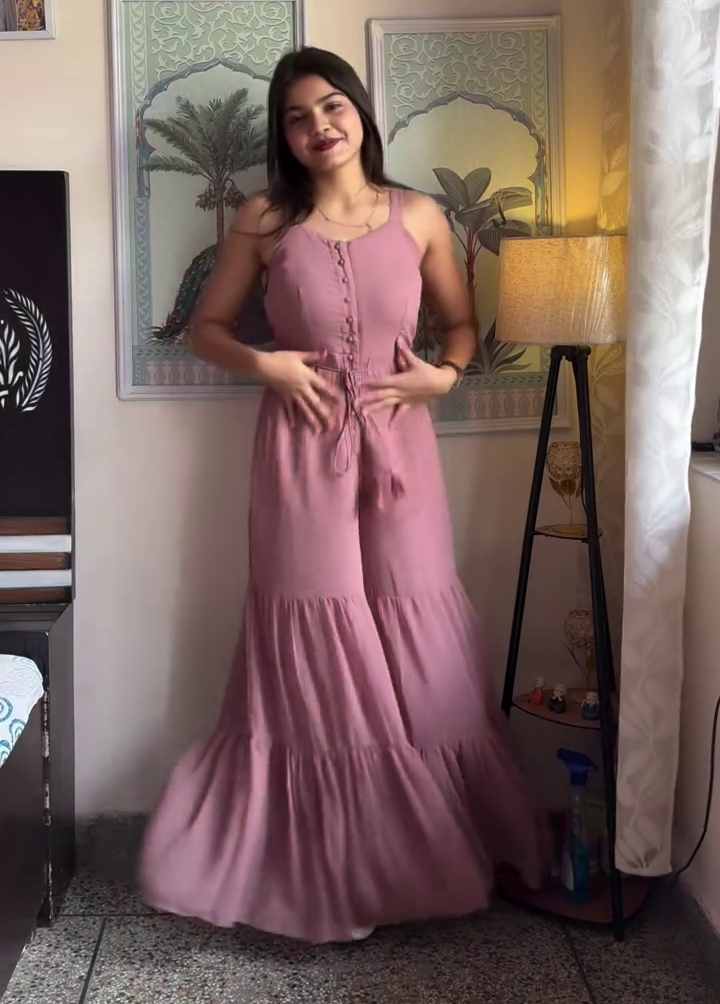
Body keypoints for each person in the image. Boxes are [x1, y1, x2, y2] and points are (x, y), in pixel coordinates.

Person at [140, 46, 543, 943]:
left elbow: (462, 325)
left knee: (413, 615)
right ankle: (332, 866)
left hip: (402, 452)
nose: (318, 126)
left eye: (330, 106)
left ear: (358, 111)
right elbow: (207, 330)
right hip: (298, 450)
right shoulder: (264, 220)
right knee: (315, 620)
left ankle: (444, 843)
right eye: (296, 117)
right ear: (283, 137)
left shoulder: (419, 215)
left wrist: (445, 376)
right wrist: (267, 366)